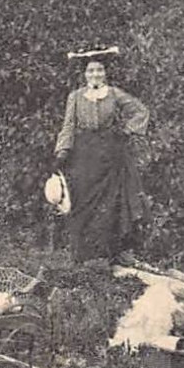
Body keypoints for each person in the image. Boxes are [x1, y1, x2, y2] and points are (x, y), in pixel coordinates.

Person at [54, 48, 150, 265]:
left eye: (99, 70)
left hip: (110, 154)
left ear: (105, 72)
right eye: (91, 71)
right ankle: (83, 256)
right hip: (83, 156)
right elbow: (68, 126)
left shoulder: (115, 94)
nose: (95, 75)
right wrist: (62, 152)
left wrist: (125, 130)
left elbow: (141, 112)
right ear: (84, 74)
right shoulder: (76, 97)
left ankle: (109, 255)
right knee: (81, 202)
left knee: (111, 203)